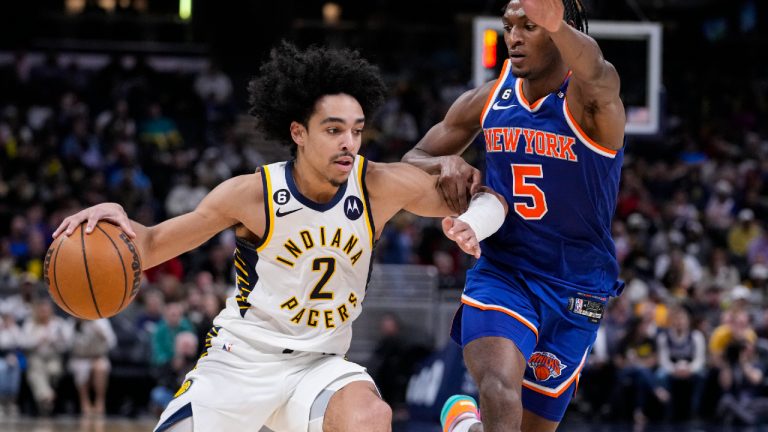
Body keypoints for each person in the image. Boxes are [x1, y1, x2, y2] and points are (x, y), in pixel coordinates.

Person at [53, 42, 507, 432]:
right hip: (241, 361)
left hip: (320, 364)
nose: (349, 142)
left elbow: (478, 196)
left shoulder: (378, 185)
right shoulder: (252, 195)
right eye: (333, 130)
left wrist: (456, 175)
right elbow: (150, 245)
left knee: (370, 416)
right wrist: (118, 220)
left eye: (357, 130)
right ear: (298, 132)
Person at [402, 0, 626, 430]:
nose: (515, 37)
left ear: (564, 27)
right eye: (509, 27)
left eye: (530, 25)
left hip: (576, 286)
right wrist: (442, 165)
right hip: (504, 271)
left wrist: (555, 22)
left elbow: (597, 69)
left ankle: (467, 427)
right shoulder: (491, 96)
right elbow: (415, 156)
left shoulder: (592, 99)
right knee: (499, 386)